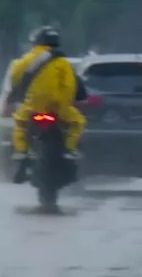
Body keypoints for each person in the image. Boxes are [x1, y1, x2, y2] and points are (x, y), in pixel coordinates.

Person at [7, 26, 86, 183]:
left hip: (32, 106)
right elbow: (70, 84)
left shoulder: (27, 59)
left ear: (37, 41)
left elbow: (15, 77)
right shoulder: (63, 62)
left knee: (20, 124)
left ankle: (22, 152)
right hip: (58, 108)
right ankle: (70, 149)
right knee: (78, 122)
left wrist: (18, 95)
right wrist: (65, 104)